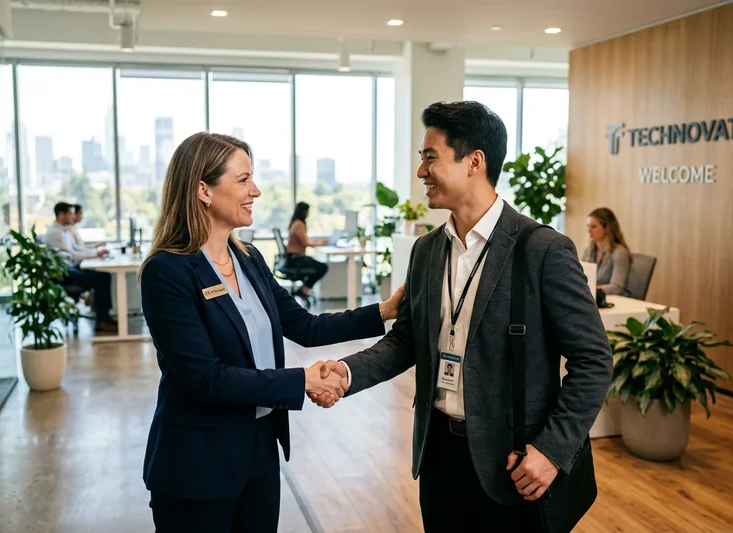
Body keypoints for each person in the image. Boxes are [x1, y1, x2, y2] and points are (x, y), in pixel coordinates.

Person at [311, 101, 612, 531]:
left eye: (430, 157)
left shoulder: (543, 250)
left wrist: (551, 450)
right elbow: (407, 339)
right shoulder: (427, 250)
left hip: (516, 463)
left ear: (474, 162)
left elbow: (594, 361)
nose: (420, 171)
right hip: (438, 457)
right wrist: (345, 371)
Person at [137, 132, 404, 533]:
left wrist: (385, 311)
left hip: (259, 450)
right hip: (198, 463)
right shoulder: (167, 272)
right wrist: (302, 380)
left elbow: (304, 325)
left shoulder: (248, 258)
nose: (256, 191)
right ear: (203, 189)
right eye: (243, 180)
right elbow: (203, 378)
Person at [44, 202, 116, 333]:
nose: (73, 217)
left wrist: (95, 253)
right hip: (64, 274)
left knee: (101, 274)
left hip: (70, 268)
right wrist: (95, 254)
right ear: (61, 214)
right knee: (102, 277)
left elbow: (75, 248)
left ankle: (104, 317)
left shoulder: (63, 230)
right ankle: (102, 320)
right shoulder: (56, 233)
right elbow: (72, 254)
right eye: (71, 213)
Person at [581, 207, 632, 296]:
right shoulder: (589, 250)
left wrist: (591, 289)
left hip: (615, 302)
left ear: (606, 228)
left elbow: (617, 287)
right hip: (593, 300)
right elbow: (580, 275)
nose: (588, 231)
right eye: (588, 226)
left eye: (593, 226)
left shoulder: (619, 253)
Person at [285, 201, 328, 299]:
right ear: (303, 212)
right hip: (297, 259)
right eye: (308, 211)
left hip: (293, 258)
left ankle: (304, 289)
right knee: (323, 267)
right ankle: (304, 289)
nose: (309, 213)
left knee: (319, 265)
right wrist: (320, 243)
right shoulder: (299, 224)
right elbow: (305, 243)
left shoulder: (294, 222)